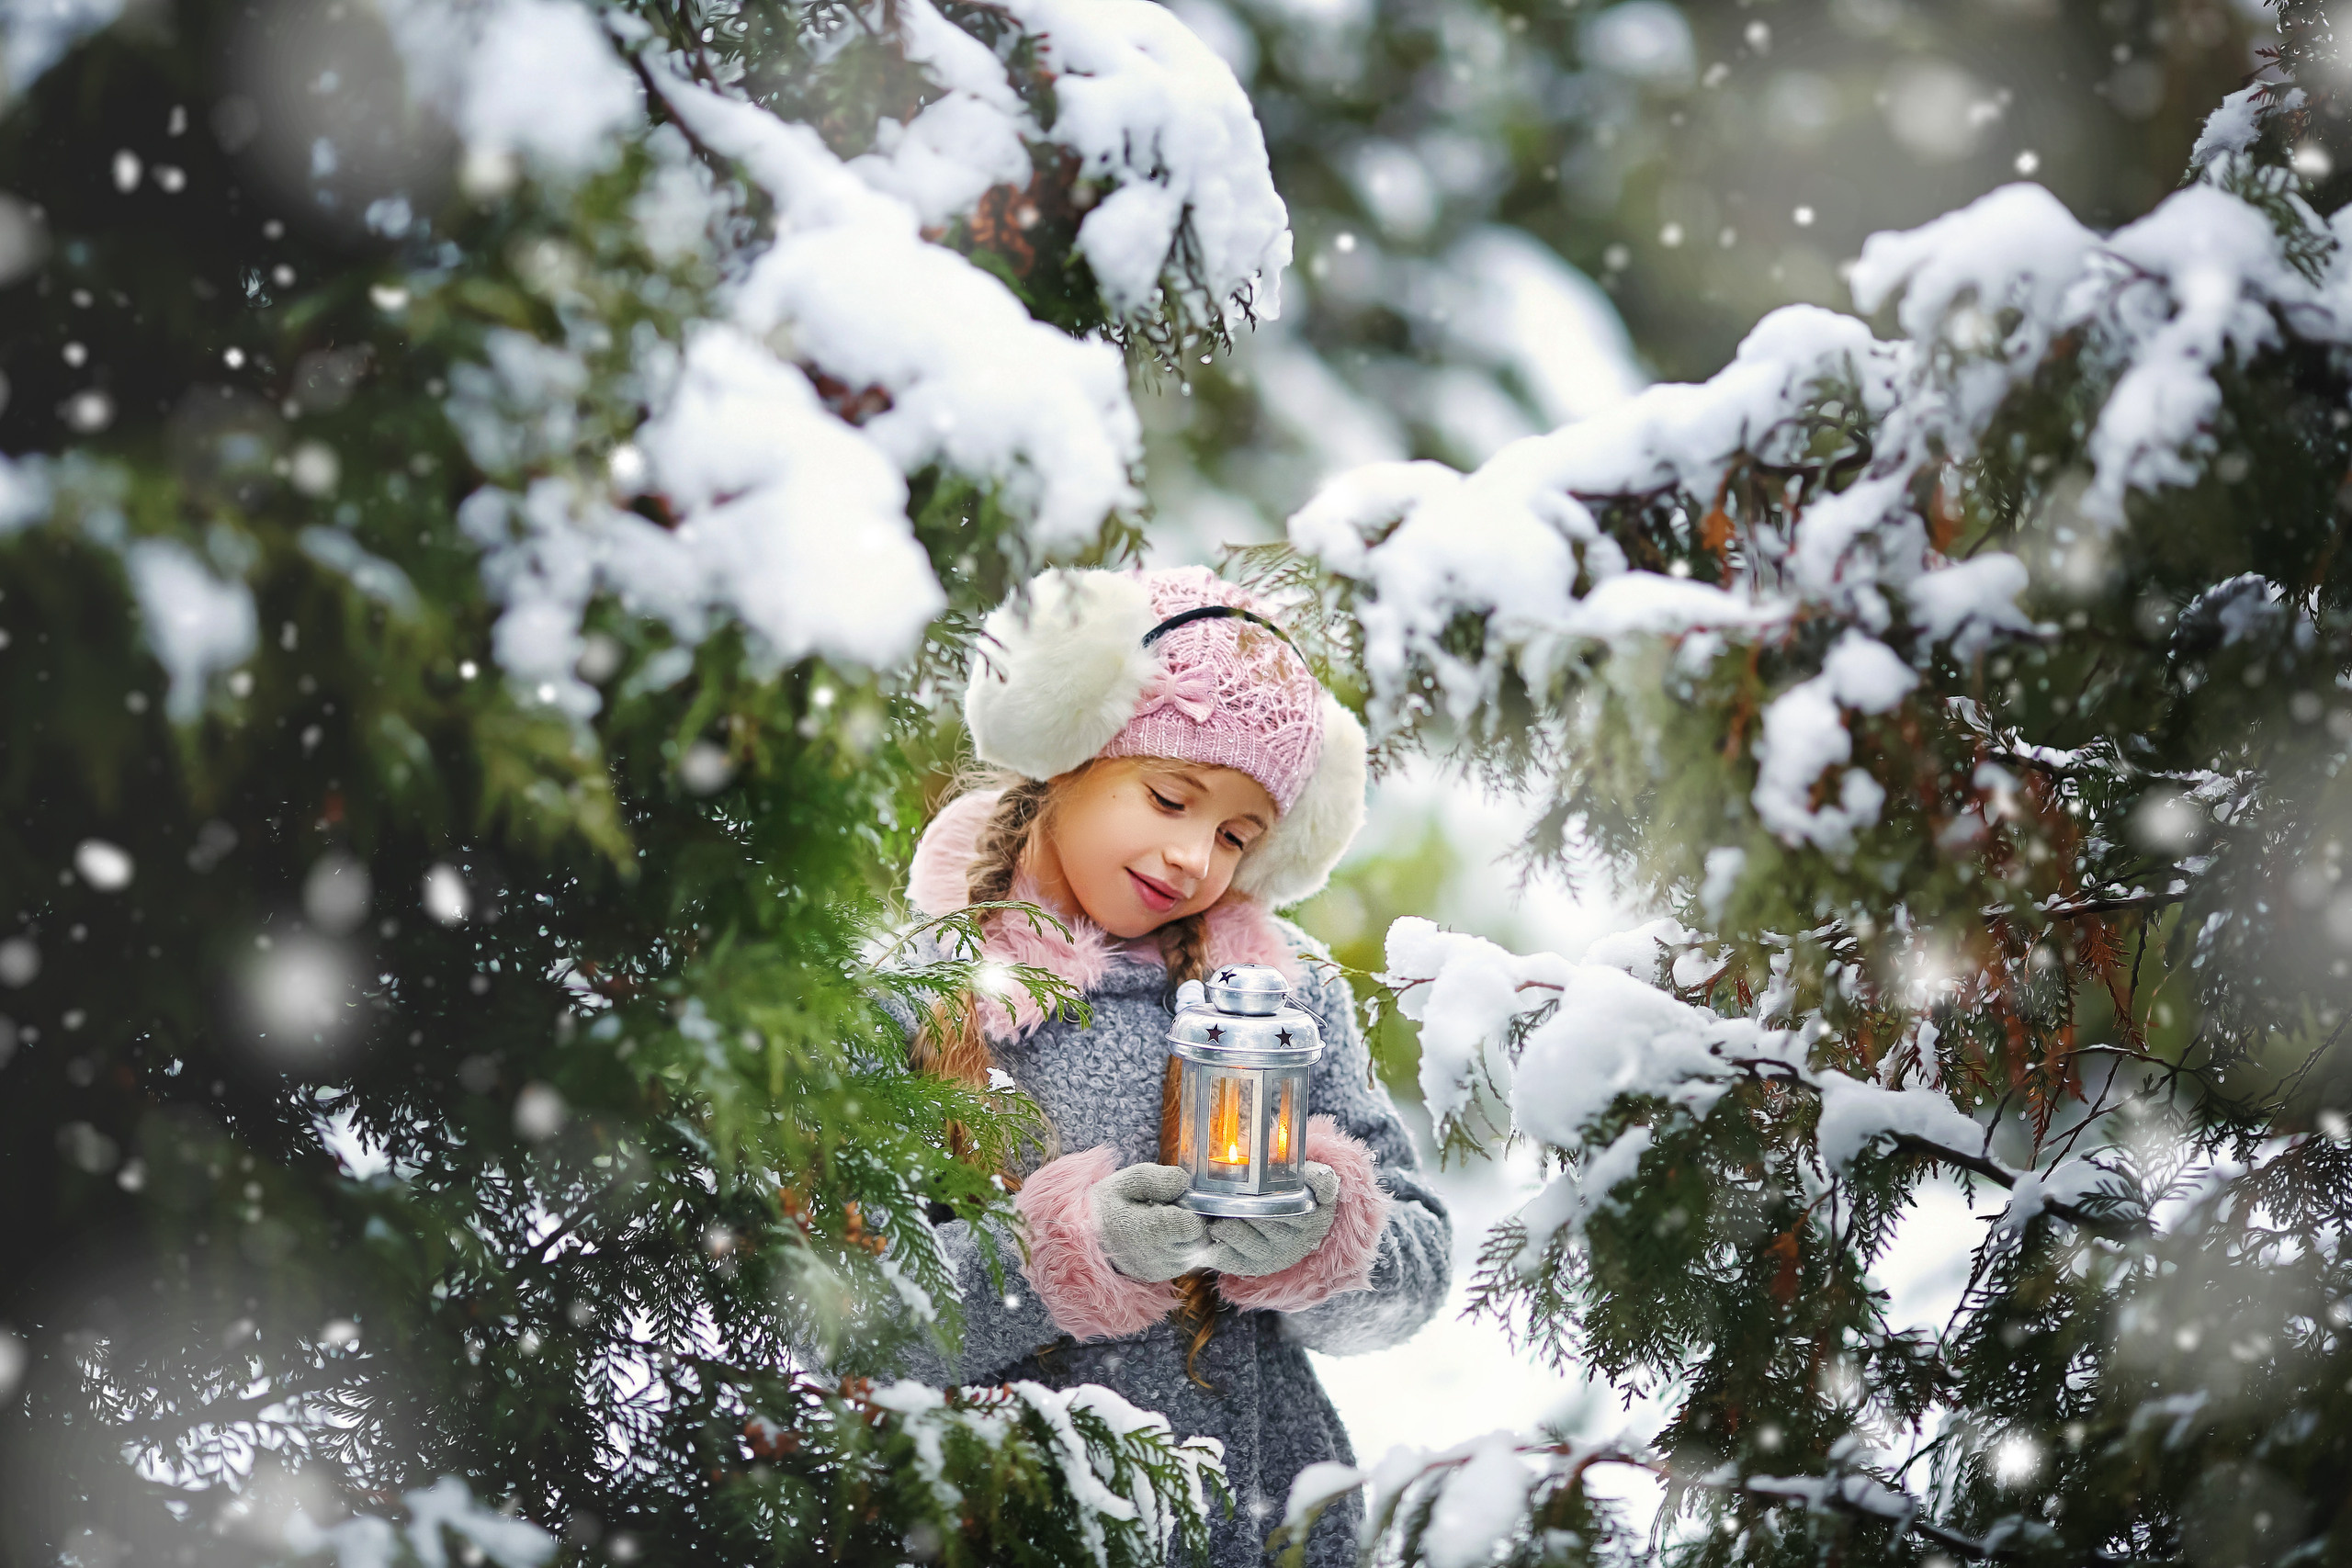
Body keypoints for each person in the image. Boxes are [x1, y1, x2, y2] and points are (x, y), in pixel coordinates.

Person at [871, 564, 1451, 1568]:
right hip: (1005, 1528)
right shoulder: (913, 997)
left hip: (1265, 1529)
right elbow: (840, 1317)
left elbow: (1417, 1267)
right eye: (1170, 796)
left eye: (1235, 835)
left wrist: (1324, 1239)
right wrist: (1062, 1258)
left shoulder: (1283, 994)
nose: (1194, 856)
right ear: (1070, 756)